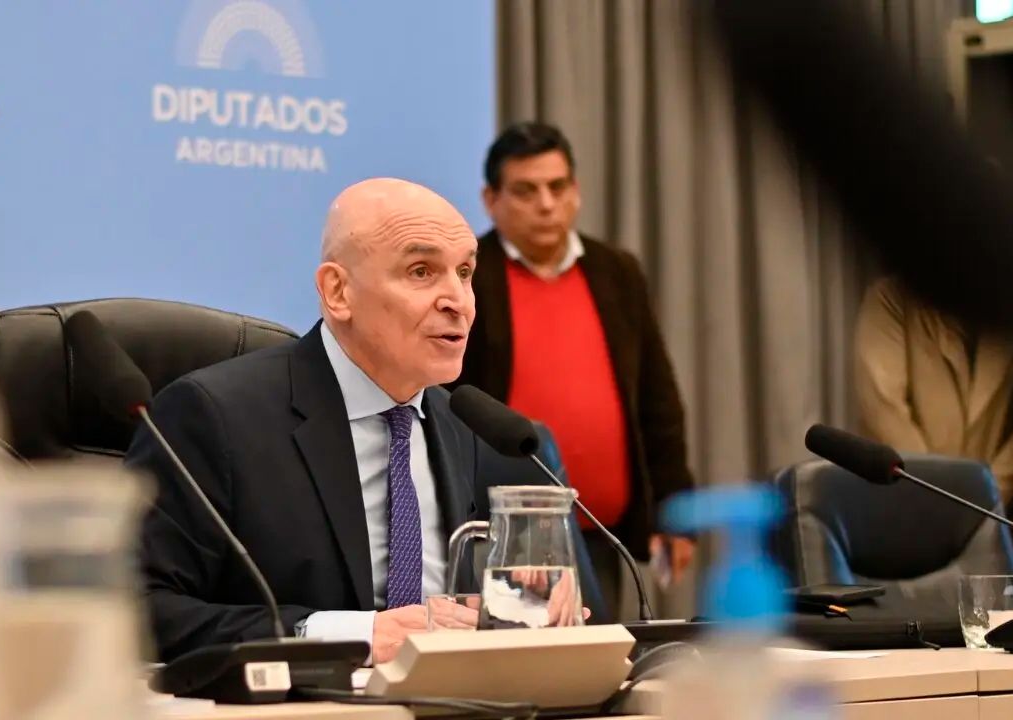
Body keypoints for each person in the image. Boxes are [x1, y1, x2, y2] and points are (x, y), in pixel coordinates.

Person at [128, 178, 592, 665]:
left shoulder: (465, 428)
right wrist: (353, 634)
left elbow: (444, 614)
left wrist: (509, 616)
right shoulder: (214, 416)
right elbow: (133, 610)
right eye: (421, 271)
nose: (458, 301)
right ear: (338, 291)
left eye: (464, 272)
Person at [454, 122, 696, 618]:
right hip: (506, 535)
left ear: (576, 190)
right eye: (526, 190)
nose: (546, 204)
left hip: (603, 530)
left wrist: (673, 509)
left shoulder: (616, 271)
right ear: (491, 200)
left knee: (604, 653)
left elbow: (657, 399)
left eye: (557, 186)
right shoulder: (468, 277)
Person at [855, 276, 1013, 504]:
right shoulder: (890, 299)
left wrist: (984, 504)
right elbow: (886, 414)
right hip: (898, 502)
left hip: (982, 511)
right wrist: (940, 501)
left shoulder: (1009, 318)